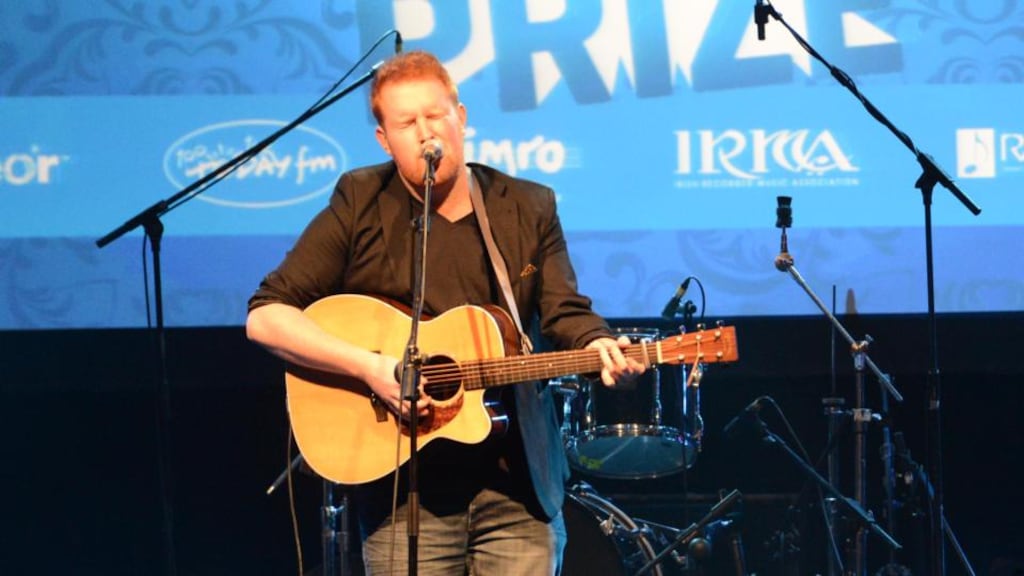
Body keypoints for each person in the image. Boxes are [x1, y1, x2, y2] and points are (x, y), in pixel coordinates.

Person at [246, 50, 644, 575]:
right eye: (407, 123)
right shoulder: (361, 200)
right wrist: (371, 368)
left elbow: (565, 310)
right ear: (385, 140)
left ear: (461, 116)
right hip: (403, 494)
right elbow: (266, 316)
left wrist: (596, 344)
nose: (426, 133)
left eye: (436, 115)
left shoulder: (526, 206)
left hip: (517, 488)